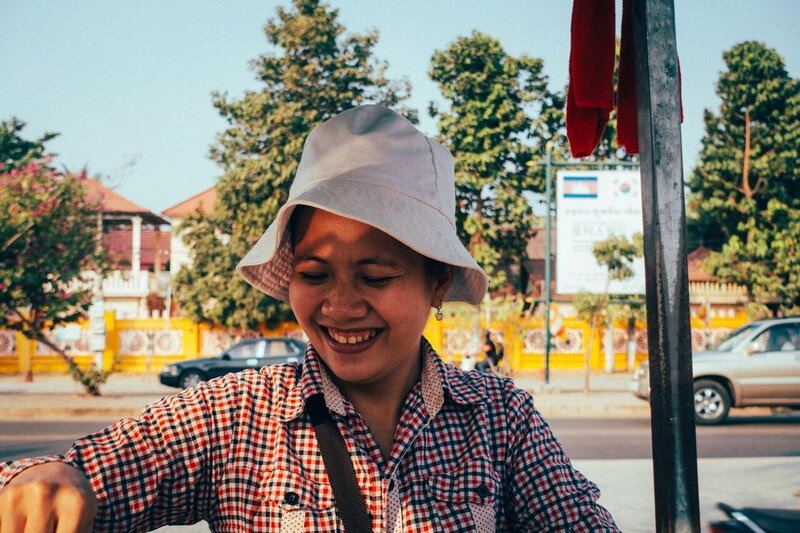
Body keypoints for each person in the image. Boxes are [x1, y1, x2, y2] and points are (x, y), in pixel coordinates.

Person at [0, 105, 618, 531]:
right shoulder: (234, 417)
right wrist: (45, 477)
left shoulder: (498, 418)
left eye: (376, 277)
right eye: (314, 274)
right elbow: (70, 476)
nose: (340, 306)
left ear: (436, 281)